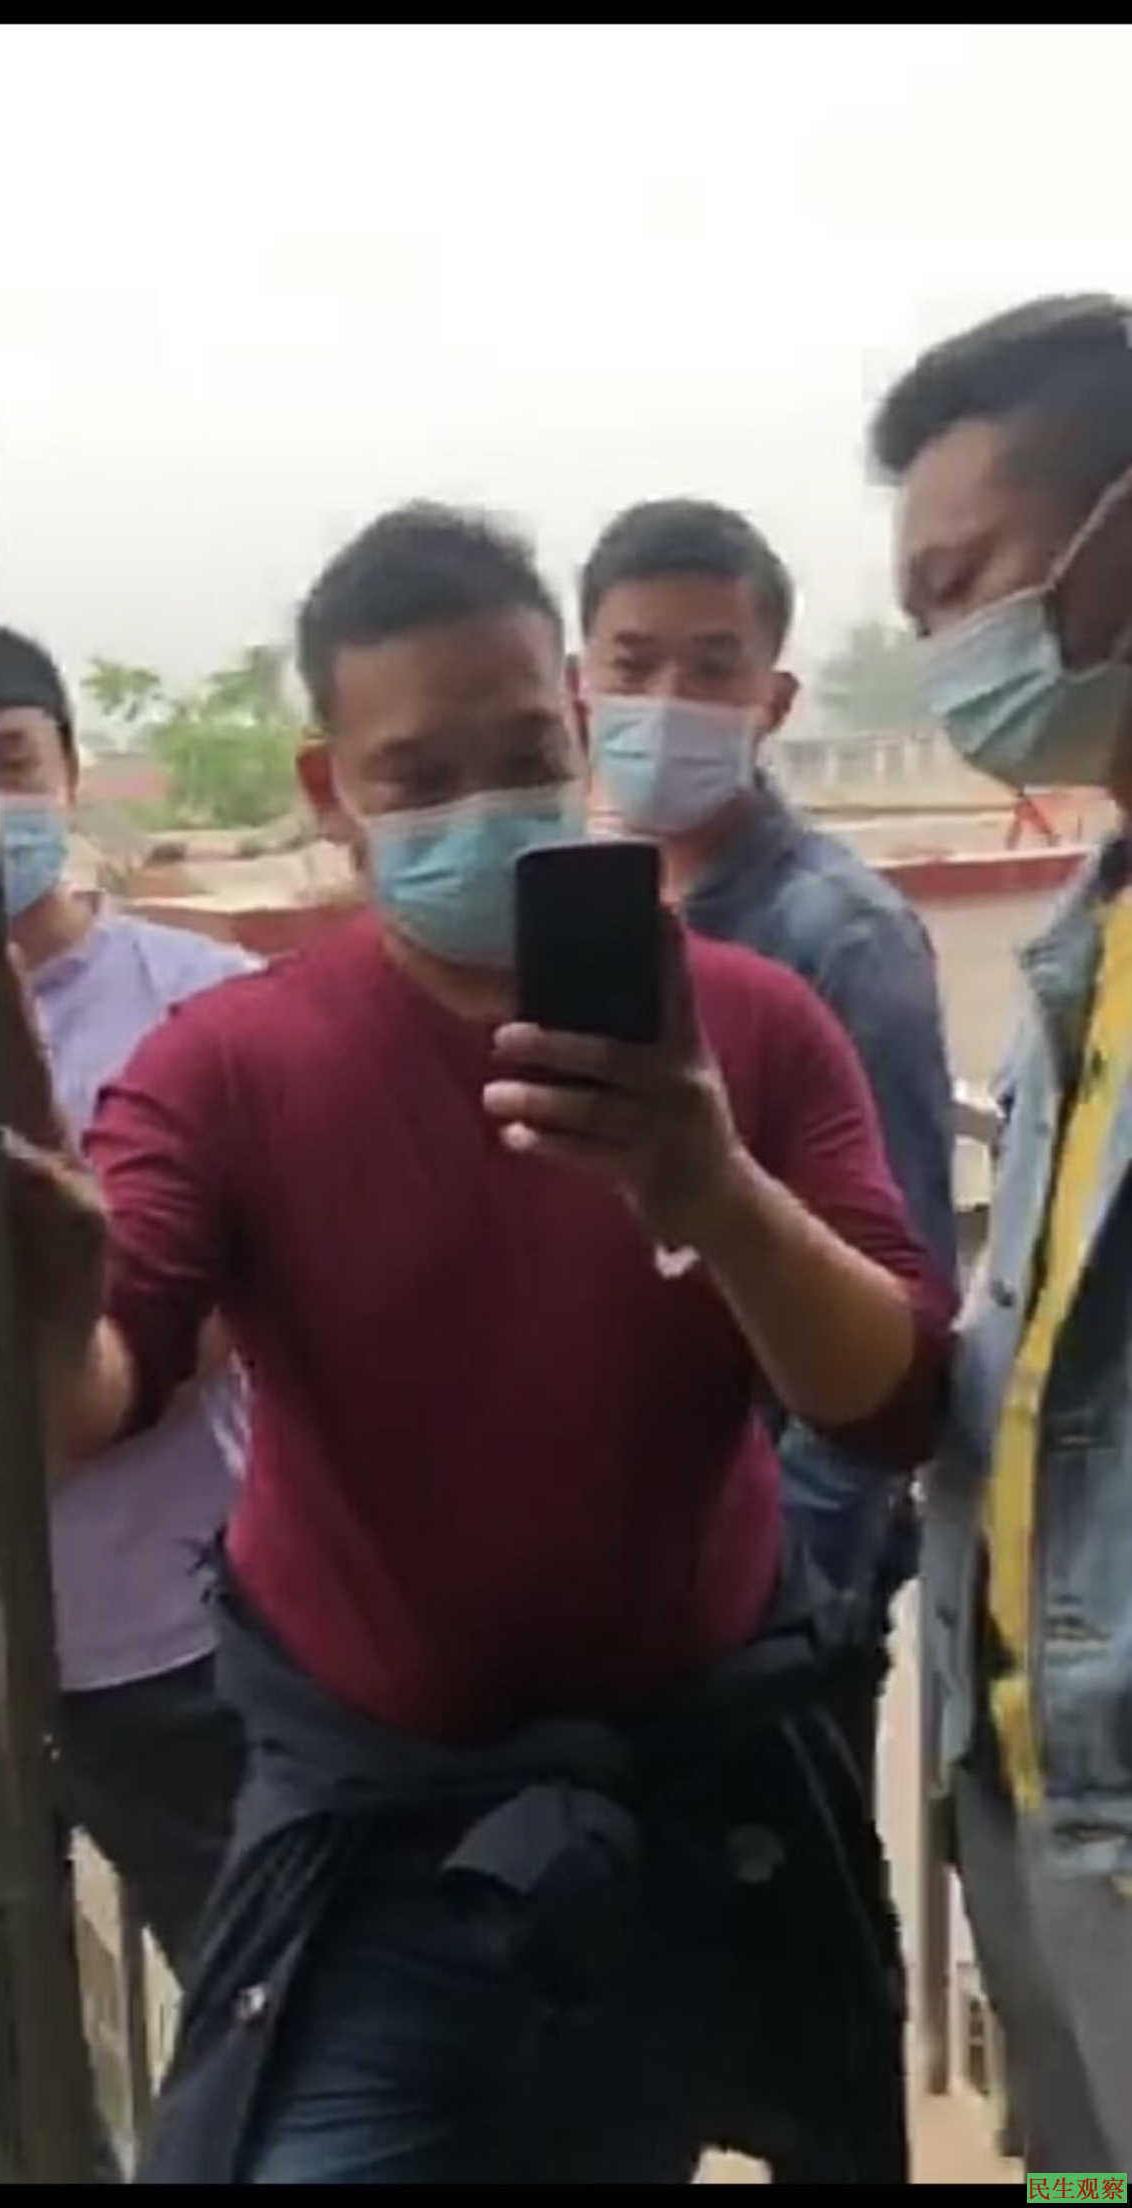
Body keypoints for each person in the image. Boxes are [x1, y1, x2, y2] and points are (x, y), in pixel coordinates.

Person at [0, 507, 954, 2185]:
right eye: (418, 777)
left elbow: (890, 1406)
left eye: (519, 757)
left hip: (710, 1797)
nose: (482, 810)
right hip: (383, 1832)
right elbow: (95, 1399)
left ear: (575, 728)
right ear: (330, 791)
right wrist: (48, 1306)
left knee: (820, 2147)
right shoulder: (225, 1068)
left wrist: (716, 1194)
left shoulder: (750, 1026)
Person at [871, 293, 1132, 2173]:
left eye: (962, 585)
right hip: (1035, 1804)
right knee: (1077, 2174)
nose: (948, 656)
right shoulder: (1082, 945)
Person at [580, 499, 957, 1792]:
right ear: (580, 684)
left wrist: (790, 1581)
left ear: (773, 700)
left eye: (711, 667)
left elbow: (899, 1288)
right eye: (633, 664)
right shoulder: (578, 910)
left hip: (769, 1590)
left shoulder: (840, 937)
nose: (667, 702)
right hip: (621, 1559)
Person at [0, 624, 247, 1980]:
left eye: (7, 764)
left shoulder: (203, 1008)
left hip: (175, 1633)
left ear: (69, 773)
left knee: (257, 1995)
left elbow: (206, 1317)